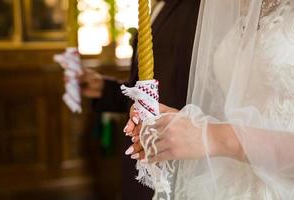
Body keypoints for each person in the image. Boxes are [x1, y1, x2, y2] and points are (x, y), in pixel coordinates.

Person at [126, 0, 294, 199]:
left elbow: (218, 135)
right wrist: (182, 125)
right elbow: (227, 108)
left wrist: (213, 137)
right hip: (223, 185)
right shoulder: (232, 5)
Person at [78, 0, 201, 199]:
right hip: (138, 156)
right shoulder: (155, 7)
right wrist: (105, 89)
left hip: (169, 163)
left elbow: (188, 91)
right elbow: (146, 91)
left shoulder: (195, 8)